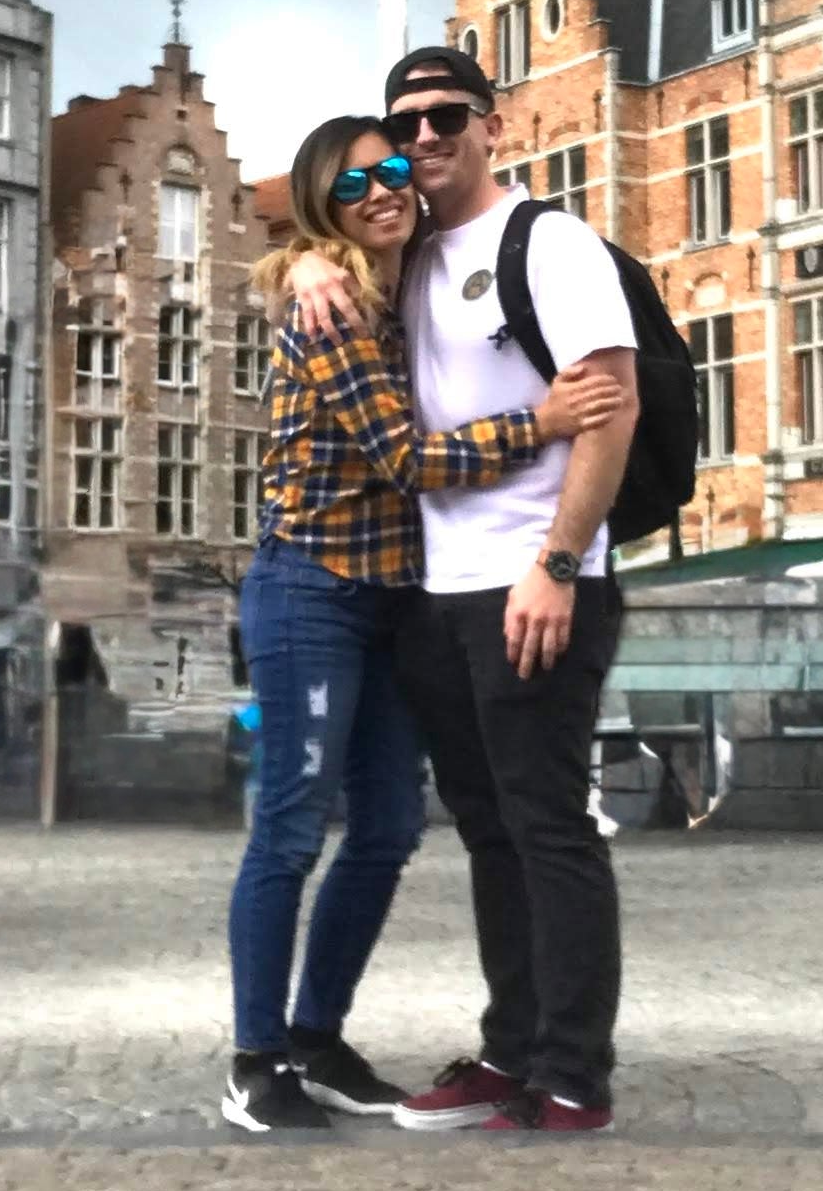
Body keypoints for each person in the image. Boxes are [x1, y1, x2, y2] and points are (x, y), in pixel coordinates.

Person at [225, 112, 618, 1137]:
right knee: (291, 828)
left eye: (392, 168)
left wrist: (302, 257)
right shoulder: (335, 308)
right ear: (322, 208)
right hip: (312, 588)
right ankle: (256, 1058)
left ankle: (317, 1037)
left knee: (391, 828)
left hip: (395, 597)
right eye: (351, 185)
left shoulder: (402, 288)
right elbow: (406, 459)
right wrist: (541, 422)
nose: (381, 190)